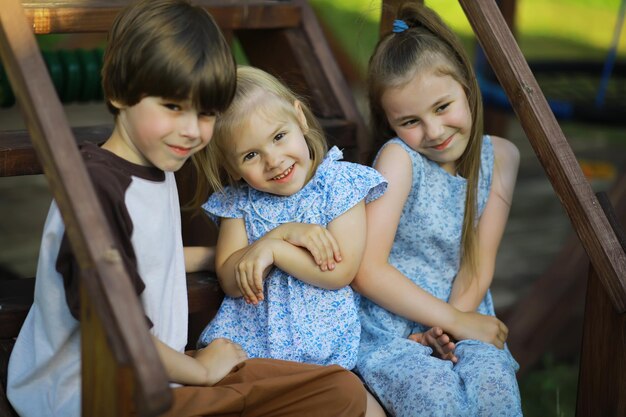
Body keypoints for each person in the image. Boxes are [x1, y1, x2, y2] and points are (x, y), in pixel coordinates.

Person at [6, 2, 368, 416]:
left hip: (163, 373)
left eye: (206, 113)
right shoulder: (96, 190)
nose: (192, 130)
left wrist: (267, 243)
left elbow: (152, 261)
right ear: (118, 93)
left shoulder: (154, 168)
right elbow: (114, 329)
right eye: (173, 107)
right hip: (97, 394)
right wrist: (201, 369)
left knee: (340, 390)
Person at [350, 2, 523, 416]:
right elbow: (367, 270)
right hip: (395, 331)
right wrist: (447, 327)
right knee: (437, 399)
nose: (434, 132)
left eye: (442, 107)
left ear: (467, 85)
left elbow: (477, 267)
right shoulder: (399, 159)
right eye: (410, 121)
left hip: (463, 313)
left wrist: (453, 327)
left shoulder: (500, 157)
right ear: (390, 122)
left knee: (495, 390)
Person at [191, 66, 388, 416]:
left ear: (300, 118)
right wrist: (276, 235)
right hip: (251, 355)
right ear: (232, 166)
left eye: (279, 137)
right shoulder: (241, 202)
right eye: (251, 155)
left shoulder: (338, 184)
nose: (273, 160)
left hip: (324, 359)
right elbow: (229, 278)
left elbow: (338, 271)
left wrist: (275, 250)